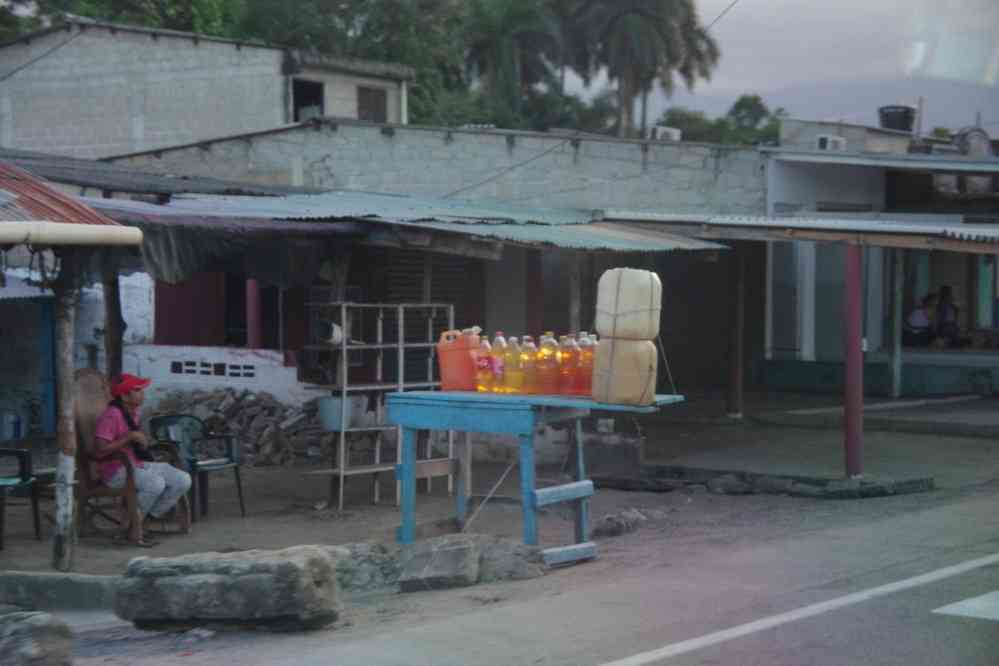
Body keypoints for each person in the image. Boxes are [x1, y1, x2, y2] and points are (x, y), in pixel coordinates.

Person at [94, 374, 191, 545]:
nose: (142, 394)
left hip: (135, 464)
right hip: (114, 471)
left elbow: (135, 442)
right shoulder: (111, 415)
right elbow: (100, 450)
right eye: (137, 390)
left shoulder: (134, 413)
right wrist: (129, 437)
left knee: (182, 479)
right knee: (155, 483)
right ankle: (132, 525)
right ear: (124, 396)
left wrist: (142, 441)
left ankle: (142, 520)